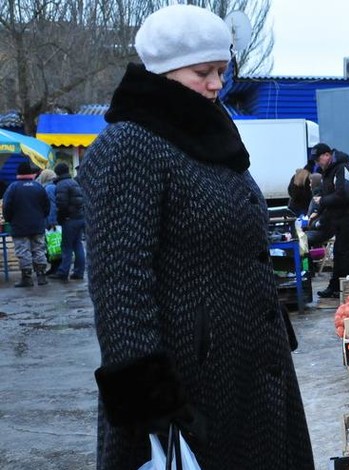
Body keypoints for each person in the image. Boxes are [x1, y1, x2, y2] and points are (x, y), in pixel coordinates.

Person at [77, 5, 314, 469]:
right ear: (162, 72)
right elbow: (119, 282)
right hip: (188, 385)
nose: (216, 84)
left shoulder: (208, 135)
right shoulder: (131, 144)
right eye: (202, 72)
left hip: (248, 370)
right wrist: (152, 408)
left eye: (222, 71)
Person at [306, 143, 349, 298]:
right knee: (339, 253)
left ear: (327, 155)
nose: (318, 163)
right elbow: (329, 195)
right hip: (340, 219)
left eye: (319, 159)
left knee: (346, 254)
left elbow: (343, 194)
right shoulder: (329, 171)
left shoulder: (342, 168)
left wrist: (322, 202)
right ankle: (335, 287)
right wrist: (318, 211)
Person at [2, 161, 50, 287]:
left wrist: (9, 220)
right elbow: (47, 206)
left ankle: (27, 278)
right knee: (39, 250)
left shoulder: (13, 188)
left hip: (19, 227)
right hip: (38, 225)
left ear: (18, 173)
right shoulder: (38, 187)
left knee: (23, 252)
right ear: (31, 173)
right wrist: (41, 218)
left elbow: (6, 207)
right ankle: (41, 276)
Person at [47, 162, 85, 281]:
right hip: (79, 218)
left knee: (66, 246)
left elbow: (61, 204)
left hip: (69, 219)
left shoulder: (61, 185)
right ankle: (79, 272)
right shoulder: (74, 182)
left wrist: (60, 218)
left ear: (58, 173)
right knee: (78, 245)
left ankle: (63, 272)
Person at [36, 168, 61, 274]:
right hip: (53, 220)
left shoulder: (48, 188)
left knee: (53, 245)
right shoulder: (53, 186)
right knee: (53, 245)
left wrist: (51, 222)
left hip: (51, 221)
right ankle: (55, 268)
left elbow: (51, 205)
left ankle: (55, 268)